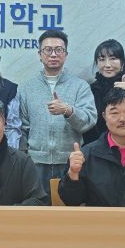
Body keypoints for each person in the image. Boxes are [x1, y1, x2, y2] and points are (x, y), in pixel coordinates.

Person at [17, 29, 96, 203]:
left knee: (69, 212)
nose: (53, 54)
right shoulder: (26, 88)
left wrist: (68, 110)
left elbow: (89, 121)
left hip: (70, 162)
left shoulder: (80, 86)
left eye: (59, 50)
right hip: (35, 163)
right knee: (37, 210)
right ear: (40, 54)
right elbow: (21, 127)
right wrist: (25, 157)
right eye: (48, 50)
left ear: (66, 54)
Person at [84, 39, 125, 143]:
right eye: (102, 59)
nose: (107, 65)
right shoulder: (92, 89)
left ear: (122, 62)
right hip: (97, 147)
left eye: (113, 58)